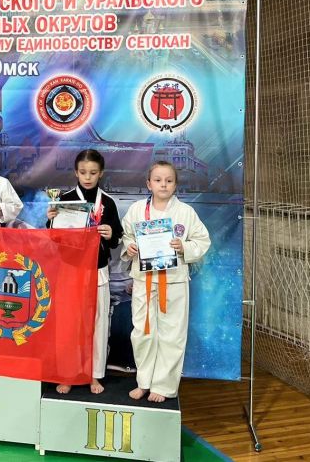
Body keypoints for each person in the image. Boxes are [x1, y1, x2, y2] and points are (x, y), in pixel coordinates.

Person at [120, 161, 210, 402]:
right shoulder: (137, 210)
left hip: (174, 281)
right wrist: (130, 246)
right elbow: (126, 235)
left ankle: (163, 386)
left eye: (169, 181)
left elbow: (202, 241)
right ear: (148, 184)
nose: (163, 185)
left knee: (172, 333)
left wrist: (184, 246)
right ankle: (144, 382)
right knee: (142, 332)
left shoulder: (185, 213)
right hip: (144, 280)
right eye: (158, 180)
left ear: (176, 185)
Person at [47, 149, 122, 394]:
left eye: (92, 173)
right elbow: (54, 238)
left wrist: (111, 234)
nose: (87, 177)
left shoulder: (108, 202)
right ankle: (68, 373)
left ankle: (94, 375)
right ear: (75, 173)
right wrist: (51, 220)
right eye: (83, 172)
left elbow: (117, 239)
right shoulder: (65, 200)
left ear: (101, 173)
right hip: (70, 269)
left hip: (98, 270)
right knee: (69, 324)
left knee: (98, 323)